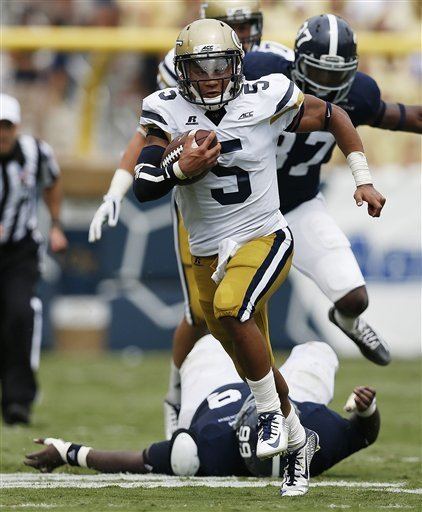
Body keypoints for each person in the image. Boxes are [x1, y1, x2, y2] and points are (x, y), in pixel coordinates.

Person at [131, 17, 384, 495]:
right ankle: (295, 441)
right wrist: (179, 171)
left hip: (263, 234)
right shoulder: (164, 108)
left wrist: (362, 177)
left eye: (219, 64)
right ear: (182, 71)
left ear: (236, 64)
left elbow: (335, 116)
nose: (209, 76)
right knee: (254, 361)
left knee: (232, 308)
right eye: (198, 67)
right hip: (207, 252)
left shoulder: (265, 94)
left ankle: (270, 416)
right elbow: (145, 184)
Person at [87, 1, 294, 441]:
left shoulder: (270, 66)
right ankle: (180, 398)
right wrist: (119, 189)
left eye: (244, 24)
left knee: (243, 307)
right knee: (203, 314)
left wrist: (356, 166)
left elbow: (320, 110)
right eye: (232, 22)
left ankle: (276, 415)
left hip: (257, 210)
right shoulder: (176, 76)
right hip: (200, 213)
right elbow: (149, 142)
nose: (214, 70)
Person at [24, 336, 380, 498]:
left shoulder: (207, 449)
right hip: (295, 401)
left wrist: (67, 451)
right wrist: (367, 410)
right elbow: (364, 434)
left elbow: (135, 461)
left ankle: (176, 407)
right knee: (319, 352)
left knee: (209, 345)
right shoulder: (316, 434)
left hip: (213, 396)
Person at [0, 93, 67, 425]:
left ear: (16, 127)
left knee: (20, 314)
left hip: (19, 250)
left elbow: (52, 184)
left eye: (6, 126)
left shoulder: (35, 153)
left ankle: (18, 401)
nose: (1, 133)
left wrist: (55, 224)